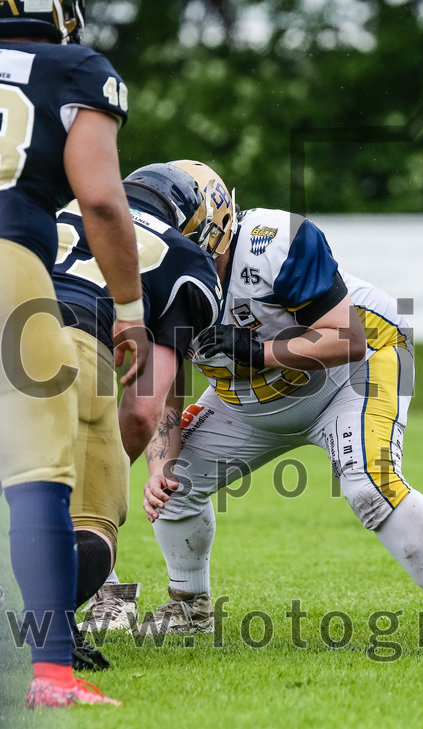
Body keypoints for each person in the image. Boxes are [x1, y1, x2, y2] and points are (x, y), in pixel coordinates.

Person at [138, 206, 423, 641]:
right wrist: (159, 468)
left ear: (218, 232)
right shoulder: (150, 278)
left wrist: (260, 352)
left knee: (368, 483)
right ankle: (190, 607)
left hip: (350, 371)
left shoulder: (274, 243)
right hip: (246, 396)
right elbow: (164, 388)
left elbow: (349, 337)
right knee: (174, 486)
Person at [0, 1, 149, 708]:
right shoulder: (73, 67)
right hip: (11, 267)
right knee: (37, 472)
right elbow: (103, 202)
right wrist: (130, 310)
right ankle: (51, 672)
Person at [53, 161, 232, 669]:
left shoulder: (52, 211)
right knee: (91, 528)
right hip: (69, 352)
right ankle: (49, 626)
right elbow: (143, 409)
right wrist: (111, 463)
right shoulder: (184, 258)